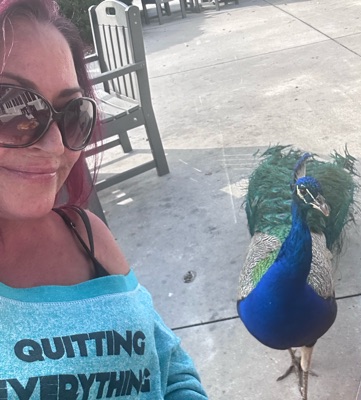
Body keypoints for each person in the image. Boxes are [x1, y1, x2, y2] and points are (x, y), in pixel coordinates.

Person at [0, 0, 208, 398]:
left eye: (72, 113)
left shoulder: (85, 234)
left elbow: (169, 368)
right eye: (14, 109)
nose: (55, 145)